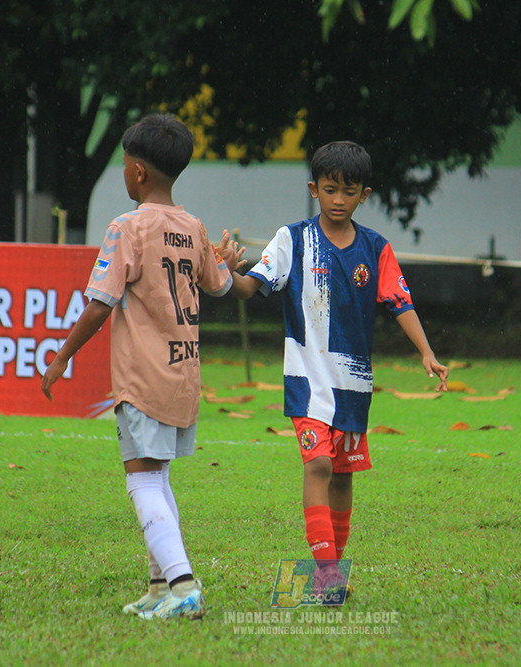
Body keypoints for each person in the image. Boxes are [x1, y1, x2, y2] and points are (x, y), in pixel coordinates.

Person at [219, 140, 448, 596]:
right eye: (329, 190)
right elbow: (252, 287)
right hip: (307, 383)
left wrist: (426, 351)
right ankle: (324, 572)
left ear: (364, 194)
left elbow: (400, 302)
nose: (338, 200)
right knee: (319, 464)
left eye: (348, 191)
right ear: (314, 189)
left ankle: (332, 572)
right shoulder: (293, 240)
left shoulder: (375, 248)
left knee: (343, 476)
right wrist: (227, 275)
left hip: (353, 386)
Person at [41, 113, 238, 620]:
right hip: (184, 375)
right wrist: (228, 261)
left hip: (142, 378)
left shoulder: (126, 228)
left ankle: (183, 585)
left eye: (125, 165)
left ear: (138, 173)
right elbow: (218, 285)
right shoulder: (192, 226)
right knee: (160, 477)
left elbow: (102, 302)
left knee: (142, 481)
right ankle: (158, 586)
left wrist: (63, 354)